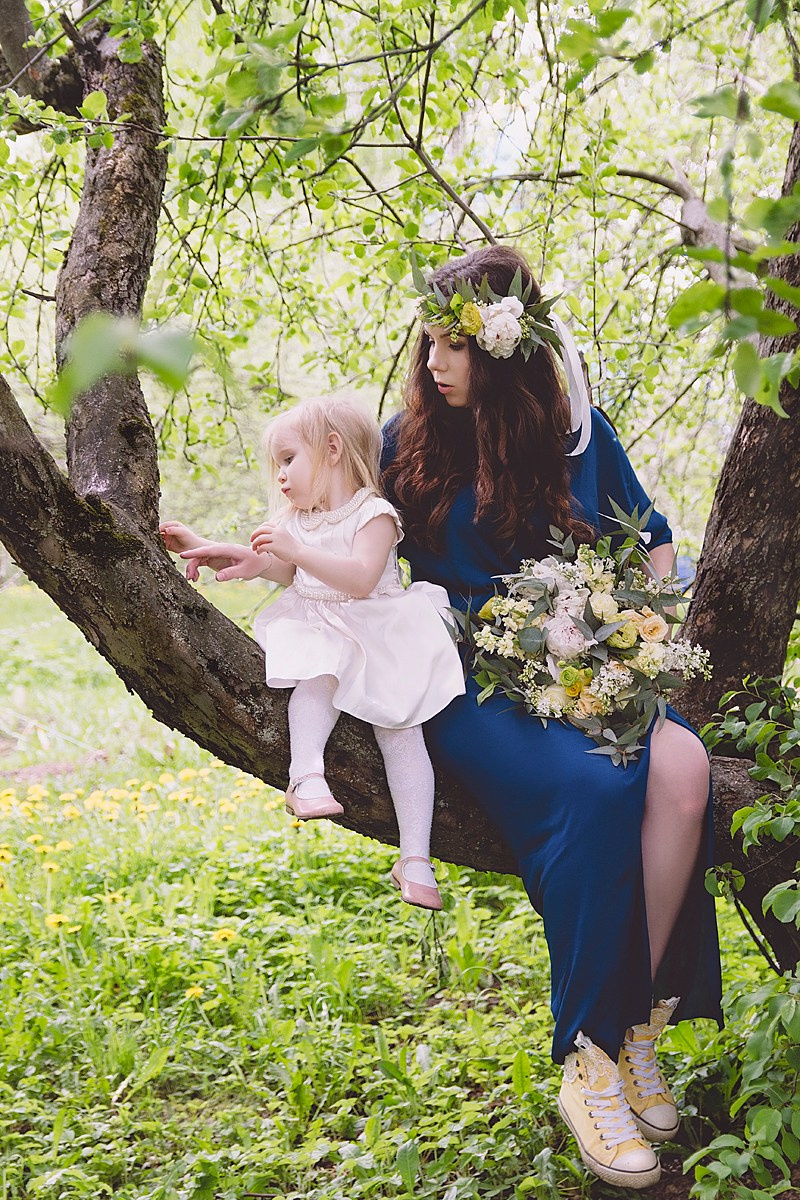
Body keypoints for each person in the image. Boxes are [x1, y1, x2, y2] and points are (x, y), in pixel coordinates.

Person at [381, 245, 722, 1190]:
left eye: (455, 345)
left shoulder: (574, 435)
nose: (435, 363)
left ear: (507, 350)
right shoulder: (404, 441)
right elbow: (343, 532)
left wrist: (636, 638)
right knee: (600, 784)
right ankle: (588, 1055)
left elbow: (654, 545)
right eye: (430, 343)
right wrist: (263, 553)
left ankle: (635, 1029)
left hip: (583, 664)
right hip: (466, 680)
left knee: (684, 773)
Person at [160, 396, 465, 911]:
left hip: (381, 634)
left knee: (401, 731)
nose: (280, 475)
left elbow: (361, 578)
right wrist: (220, 551)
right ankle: (306, 776)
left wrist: (296, 551)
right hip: (325, 629)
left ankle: (416, 858)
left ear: (332, 449)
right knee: (317, 677)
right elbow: (285, 569)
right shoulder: (298, 519)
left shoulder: (374, 513)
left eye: (288, 459)